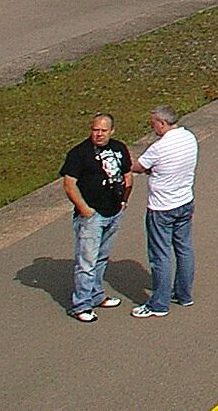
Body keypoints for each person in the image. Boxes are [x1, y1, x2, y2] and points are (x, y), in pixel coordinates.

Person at [59, 112, 131, 322]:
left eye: (103, 131)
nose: (98, 134)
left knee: (101, 258)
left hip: (114, 211)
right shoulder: (79, 153)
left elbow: (127, 175)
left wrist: (124, 200)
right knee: (86, 262)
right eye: (95, 130)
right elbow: (69, 184)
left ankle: (96, 295)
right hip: (92, 215)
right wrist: (84, 209)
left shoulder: (119, 148)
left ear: (112, 131)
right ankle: (81, 304)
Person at [129, 104, 197, 317]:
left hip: (161, 208)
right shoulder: (189, 138)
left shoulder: (159, 148)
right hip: (185, 201)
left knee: (160, 256)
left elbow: (137, 167)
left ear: (162, 123)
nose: (153, 128)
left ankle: (159, 303)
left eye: (153, 124)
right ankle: (183, 294)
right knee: (184, 248)